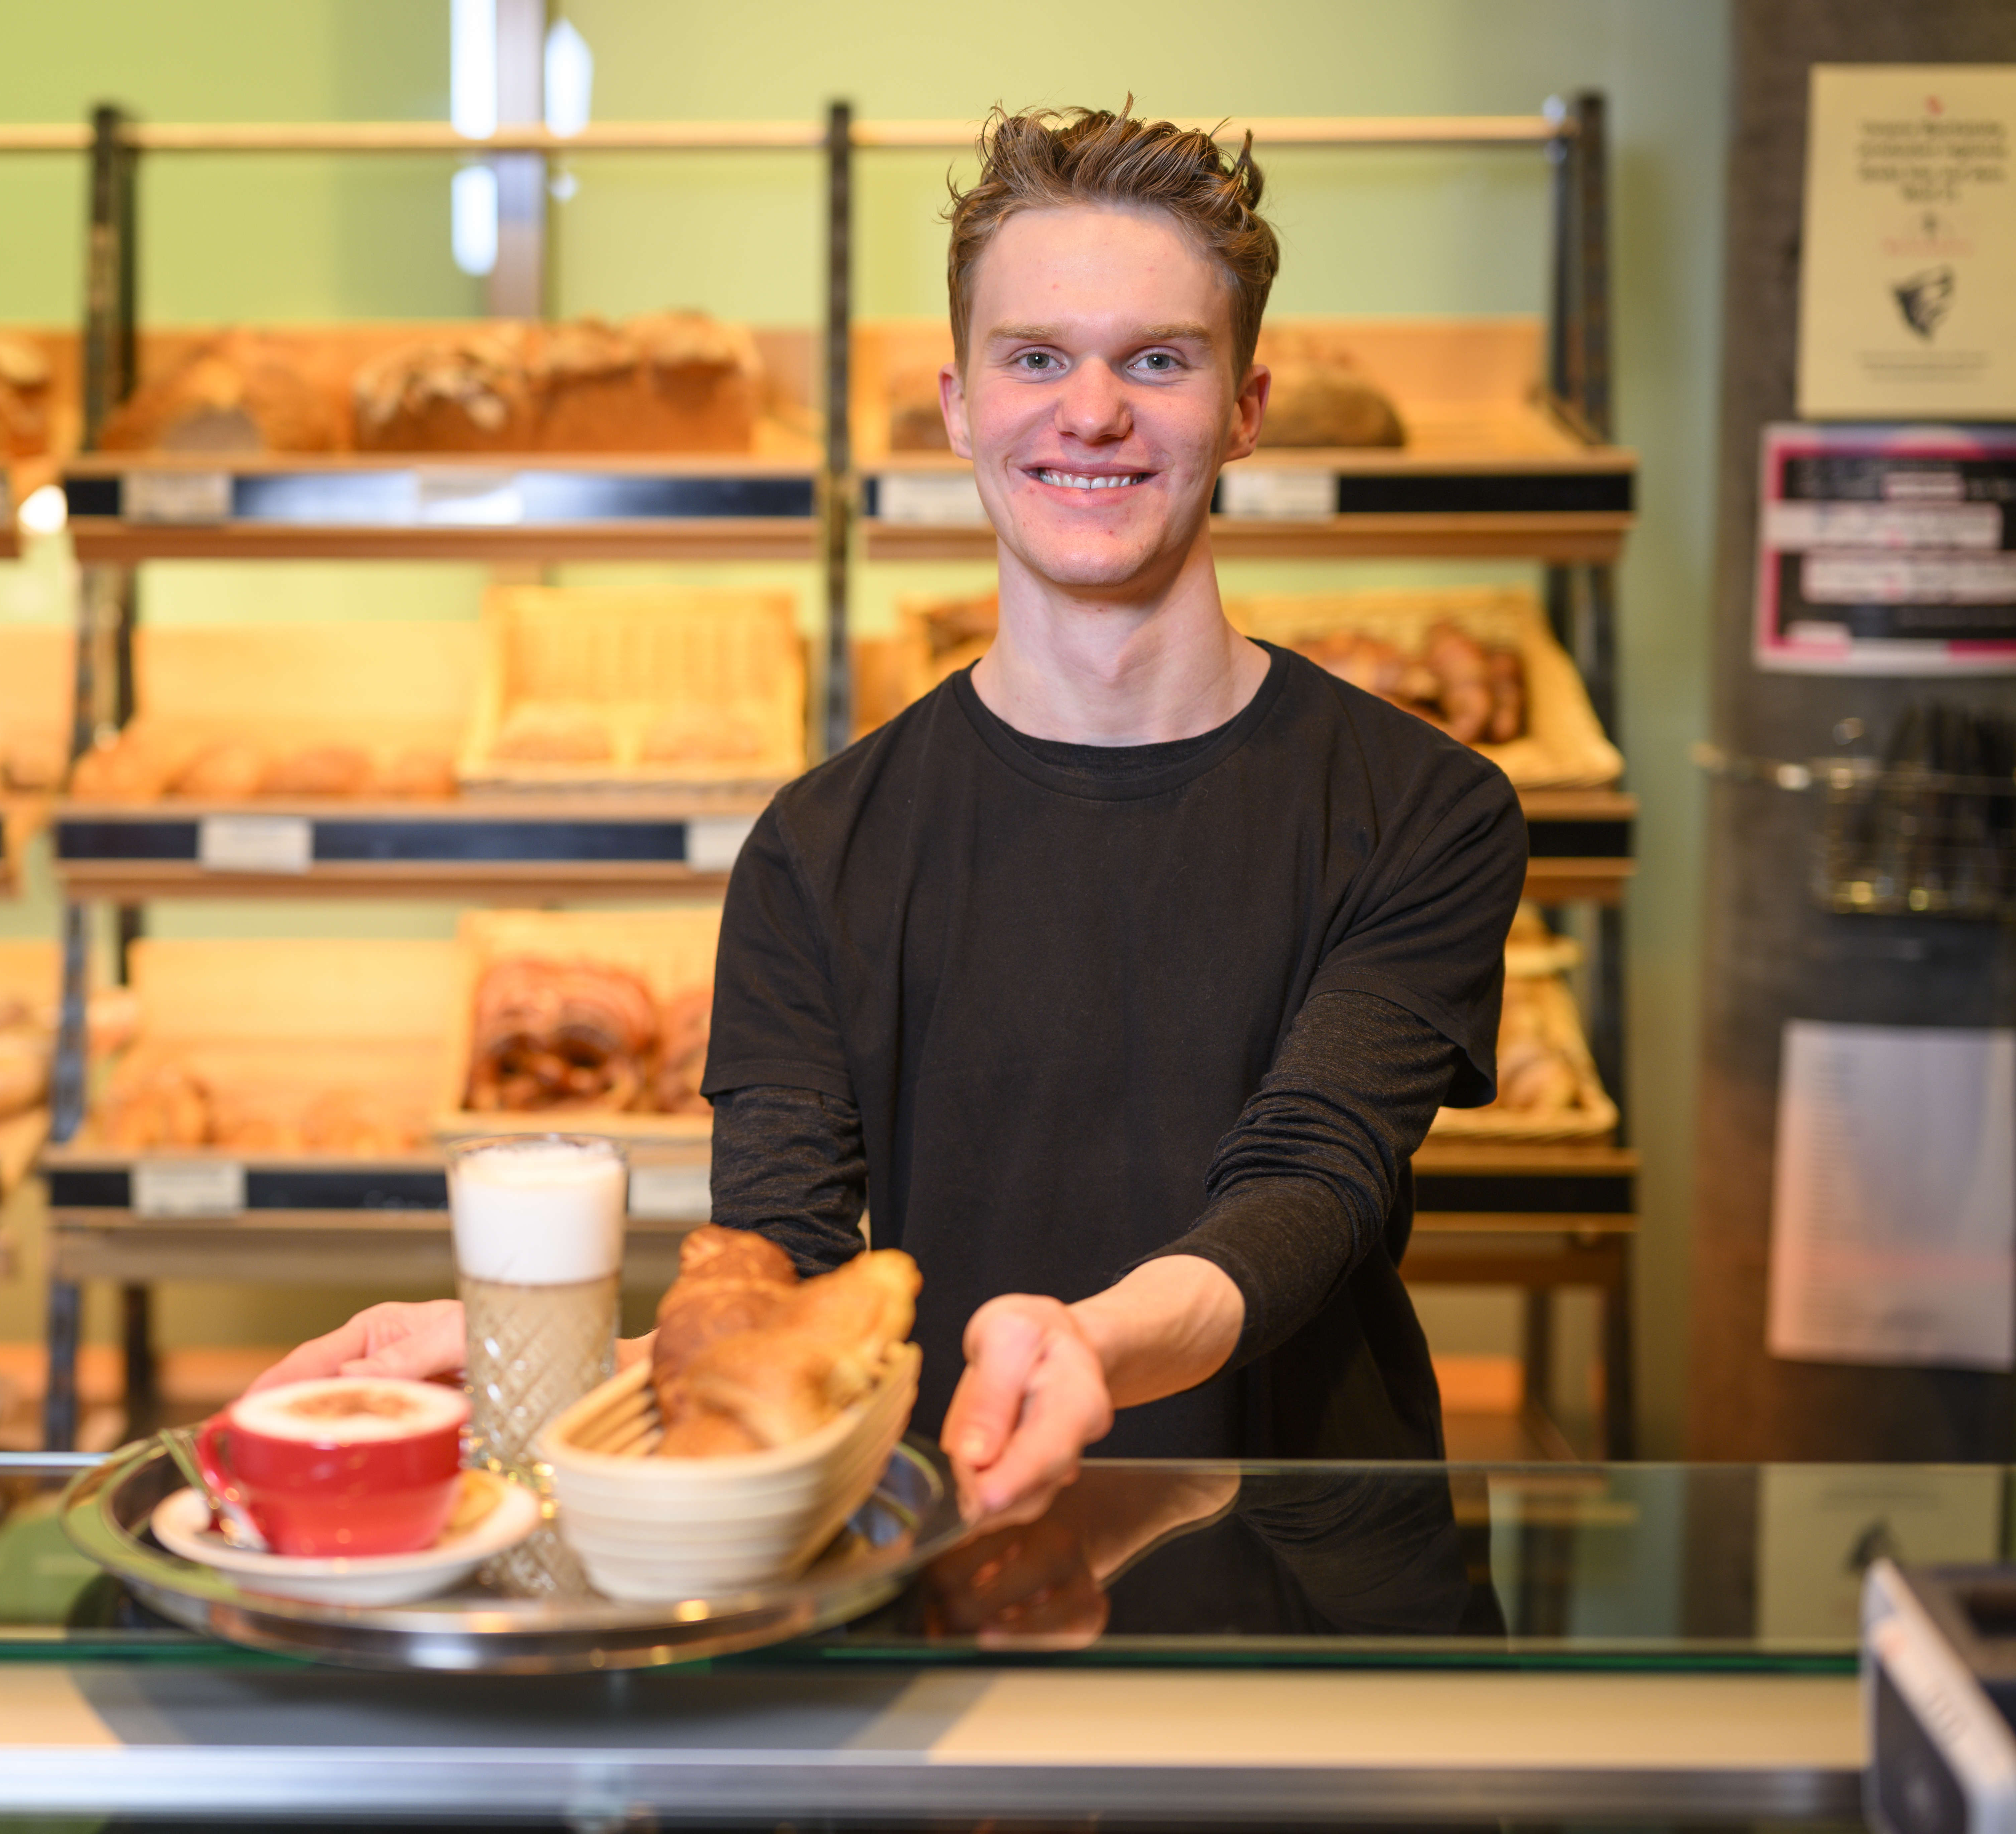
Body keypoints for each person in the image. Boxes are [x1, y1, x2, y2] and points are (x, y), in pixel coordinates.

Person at [255, 104, 1526, 1530]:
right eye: (1035, 357)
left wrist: (1087, 1347)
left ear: (1244, 407)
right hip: (947, 1558)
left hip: (1319, 1592)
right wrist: (534, 1366)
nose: (1091, 411)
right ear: (959, 405)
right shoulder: (818, 850)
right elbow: (786, 1278)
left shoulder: (1426, 809)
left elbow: (1309, 1185)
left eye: (1156, 361)